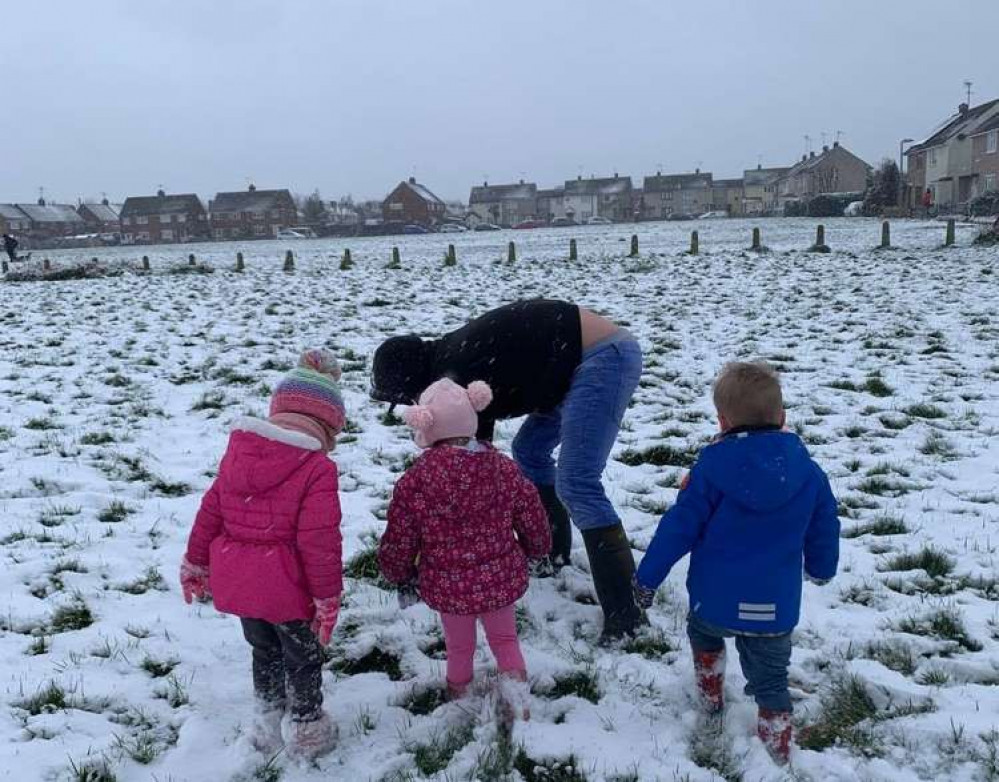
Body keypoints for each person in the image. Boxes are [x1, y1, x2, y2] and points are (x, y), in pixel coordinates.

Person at [371, 299, 645, 640]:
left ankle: (627, 616)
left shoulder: (457, 375)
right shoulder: (450, 365)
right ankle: (550, 554)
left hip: (602, 357)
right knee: (529, 451)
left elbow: (472, 470)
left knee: (577, 481)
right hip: (560, 367)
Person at [632, 362, 839, 764]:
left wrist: (647, 577)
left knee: (704, 636)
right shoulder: (810, 475)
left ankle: (710, 694)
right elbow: (824, 526)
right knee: (771, 678)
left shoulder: (710, 469)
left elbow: (679, 527)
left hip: (714, 601)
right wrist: (821, 567)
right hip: (774, 608)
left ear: (722, 420)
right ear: (782, 417)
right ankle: (777, 744)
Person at [180, 349, 346, 760]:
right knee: (302, 656)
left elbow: (210, 513)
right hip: (288, 587)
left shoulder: (238, 455)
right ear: (327, 425)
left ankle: (267, 714)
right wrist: (326, 596)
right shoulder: (317, 468)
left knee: (263, 649)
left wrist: (196, 561)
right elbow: (319, 541)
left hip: (241, 583)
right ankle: (308, 726)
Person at [378, 378, 551, 719]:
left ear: (426, 426)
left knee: (459, 646)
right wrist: (537, 546)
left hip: (448, 584)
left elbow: (401, 533)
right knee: (505, 640)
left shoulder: (416, 480)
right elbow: (531, 512)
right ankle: (517, 697)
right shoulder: (502, 468)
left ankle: (459, 696)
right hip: (498, 579)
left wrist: (397, 570)